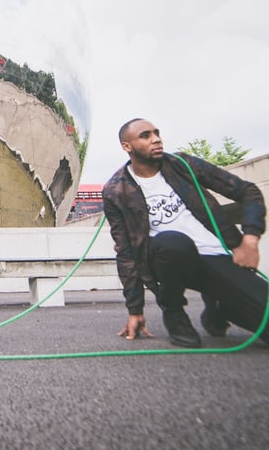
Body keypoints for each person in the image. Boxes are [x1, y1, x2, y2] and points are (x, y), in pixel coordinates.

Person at [102, 118, 268, 348]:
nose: (156, 139)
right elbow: (126, 252)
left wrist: (249, 240)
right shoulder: (116, 191)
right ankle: (174, 312)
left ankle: (221, 309)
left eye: (157, 133)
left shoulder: (182, 164)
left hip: (218, 255)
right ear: (127, 146)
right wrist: (135, 309)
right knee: (173, 242)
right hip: (170, 259)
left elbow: (248, 191)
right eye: (145, 136)